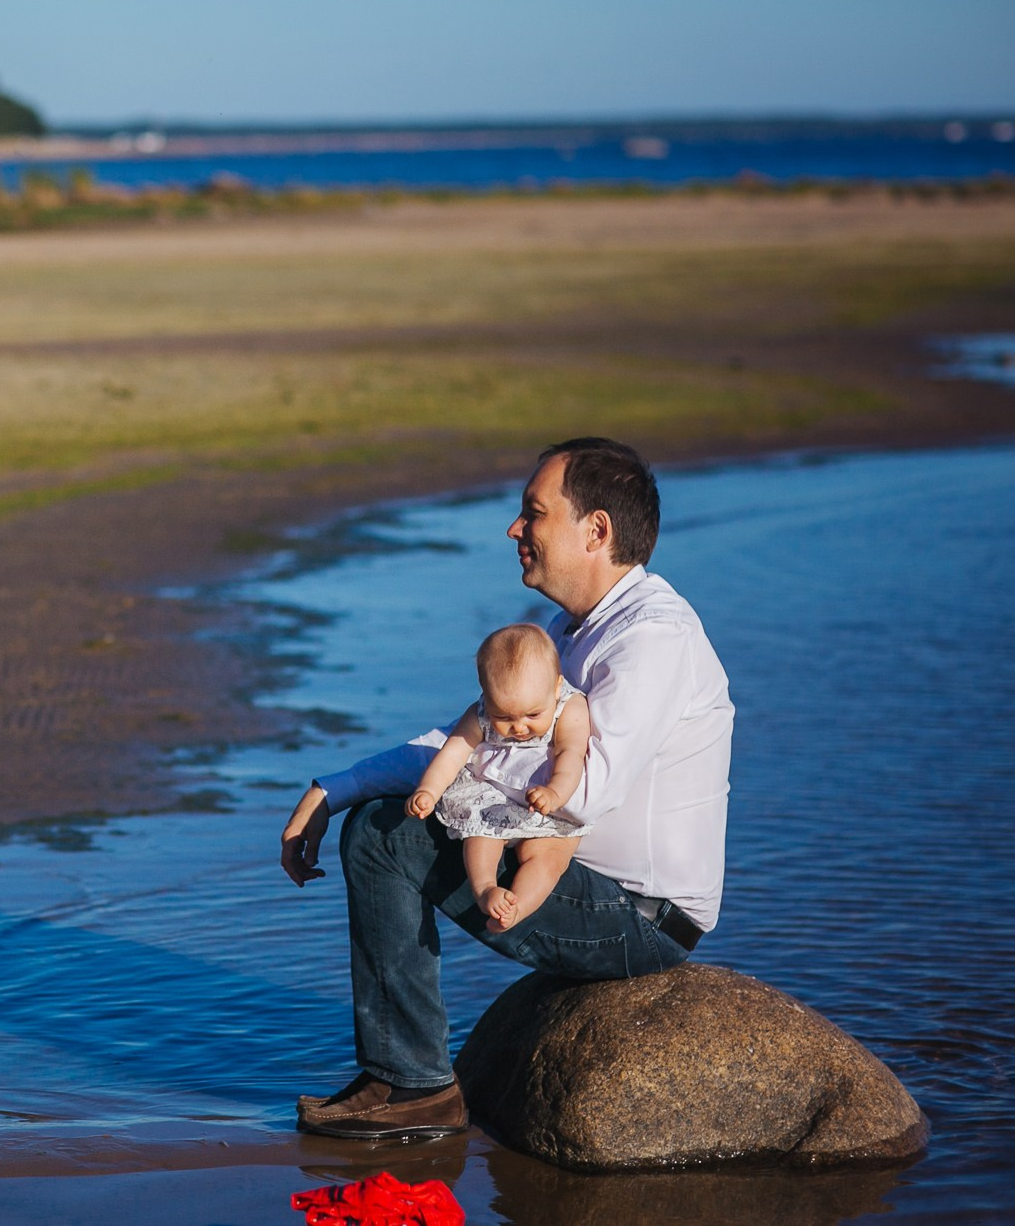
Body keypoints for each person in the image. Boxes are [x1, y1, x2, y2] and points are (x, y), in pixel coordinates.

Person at [278, 438, 733, 1141]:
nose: (514, 530)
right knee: (374, 816)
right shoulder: (568, 630)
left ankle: (412, 1086)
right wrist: (332, 789)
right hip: (575, 878)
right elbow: (468, 737)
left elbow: (582, 794)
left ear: (597, 530)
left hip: (641, 916)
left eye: (532, 513)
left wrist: (452, 783)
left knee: (384, 836)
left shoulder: (654, 639)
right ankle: (407, 1075)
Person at [406, 624, 591, 934]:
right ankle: (485, 889)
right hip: (493, 798)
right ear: (484, 694)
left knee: (550, 858)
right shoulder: (479, 713)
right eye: (504, 717)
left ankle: (516, 909)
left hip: (545, 805)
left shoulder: (569, 707)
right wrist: (428, 790)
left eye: (533, 715)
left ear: (557, 688)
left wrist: (555, 793)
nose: (519, 727)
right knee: (480, 835)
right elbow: (453, 753)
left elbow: (571, 754)